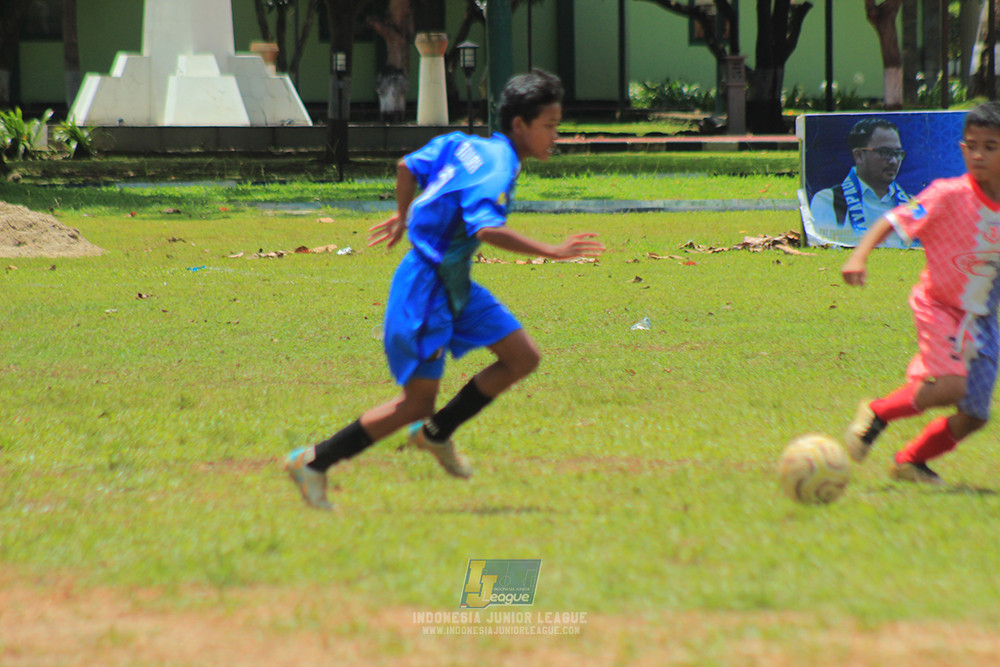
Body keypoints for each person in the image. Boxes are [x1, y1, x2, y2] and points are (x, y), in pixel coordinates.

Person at [283, 69, 605, 509]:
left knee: (522, 357)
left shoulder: (465, 144)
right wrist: (552, 250)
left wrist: (402, 215)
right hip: (427, 287)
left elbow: (406, 167)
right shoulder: (500, 167)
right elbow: (488, 230)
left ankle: (436, 434)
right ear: (519, 125)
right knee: (415, 403)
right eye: (549, 126)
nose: (555, 136)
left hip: (455, 281)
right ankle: (314, 461)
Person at [841, 101, 1000, 485]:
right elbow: (892, 220)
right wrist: (859, 257)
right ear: (961, 149)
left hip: (982, 322)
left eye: (990, 147)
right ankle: (878, 412)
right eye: (972, 146)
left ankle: (910, 461)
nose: (978, 155)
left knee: (974, 415)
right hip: (939, 307)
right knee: (952, 386)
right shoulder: (947, 195)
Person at [809, 118, 910, 248]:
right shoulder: (829, 201)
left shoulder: (909, 204)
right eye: (885, 152)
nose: (894, 161)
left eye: (898, 153)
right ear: (859, 156)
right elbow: (824, 248)